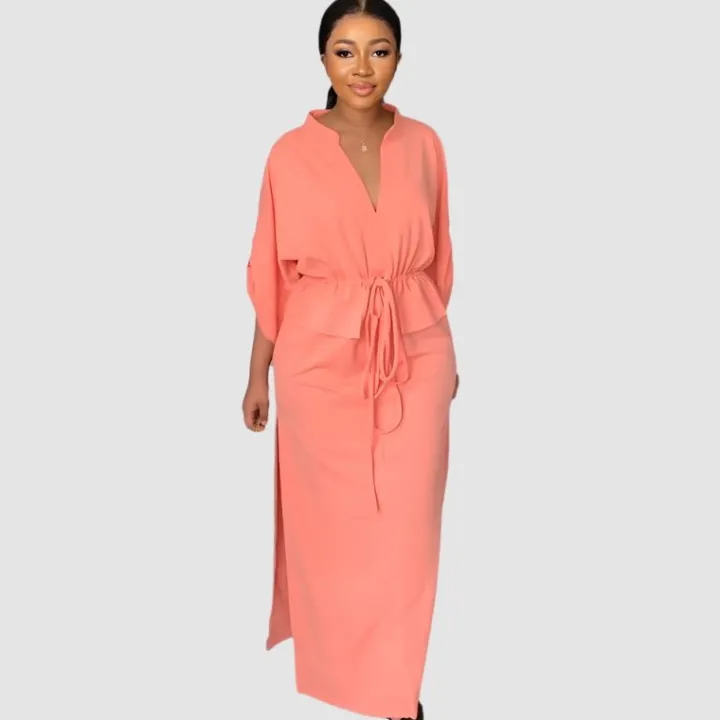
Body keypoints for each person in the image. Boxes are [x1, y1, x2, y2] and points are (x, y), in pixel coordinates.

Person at [242, 1, 458, 718]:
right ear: (323, 59)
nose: (363, 67)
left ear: (399, 57)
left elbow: (439, 258)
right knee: (330, 529)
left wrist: (441, 346)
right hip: (316, 360)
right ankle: (352, 682)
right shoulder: (288, 153)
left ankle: (397, 690)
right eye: (345, 51)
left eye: (379, 50)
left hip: (415, 350)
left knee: (407, 531)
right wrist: (257, 372)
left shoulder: (425, 143)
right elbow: (271, 273)